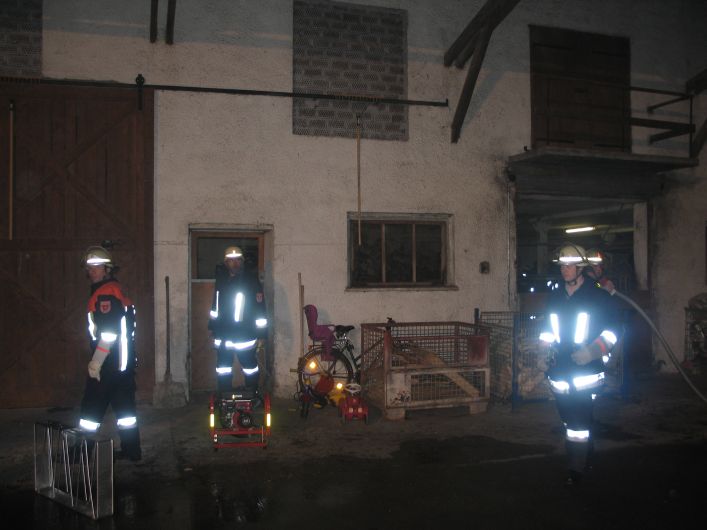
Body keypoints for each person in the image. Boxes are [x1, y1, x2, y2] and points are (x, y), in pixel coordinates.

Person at [539, 244, 618, 485]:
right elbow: (547, 330)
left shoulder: (598, 296)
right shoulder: (555, 297)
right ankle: (586, 455)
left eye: (570, 265)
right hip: (559, 370)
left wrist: (592, 351)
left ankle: (576, 469)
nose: (565, 270)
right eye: (562, 266)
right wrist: (542, 353)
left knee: (578, 423)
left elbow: (613, 333)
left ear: (581, 267)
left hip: (586, 371)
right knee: (568, 419)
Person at [78, 245, 141, 461]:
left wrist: (96, 362)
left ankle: (81, 452)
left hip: (109, 363)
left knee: (91, 407)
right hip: (123, 364)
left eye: (97, 267)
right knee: (125, 411)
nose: (92, 271)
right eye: (90, 267)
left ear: (107, 269)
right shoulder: (115, 290)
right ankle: (132, 451)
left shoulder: (105, 294)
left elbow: (109, 333)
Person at [208, 246, 268, 393]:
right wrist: (213, 327)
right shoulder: (221, 279)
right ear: (226, 262)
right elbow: (215, 306)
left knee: (250, 367)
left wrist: (261, 334)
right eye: (231, 260)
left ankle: (252, 393)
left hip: (244, 334)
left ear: (242, 261)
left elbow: (260, 310)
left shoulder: (250, 280)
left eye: (238, 260)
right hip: (223, 334)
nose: (235, 264)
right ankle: (224, 394)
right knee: (223, 368)